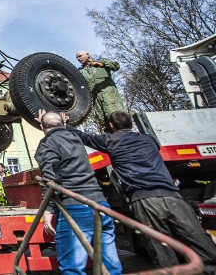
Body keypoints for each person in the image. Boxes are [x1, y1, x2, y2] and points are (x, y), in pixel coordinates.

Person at [70, 110, 216, 272]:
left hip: (144, 200)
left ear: (112, 125)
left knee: (161, 248)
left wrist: (65, 124)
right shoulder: (149, 140)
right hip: (172, 196)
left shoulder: (110, 141)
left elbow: (84, 137)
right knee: (197, 238)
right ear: (131, 124)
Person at [34, 110, 122, 275]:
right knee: (110, 265)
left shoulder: (48, 143)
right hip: (100, 204)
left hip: (75, 207)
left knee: (73, 267)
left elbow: (51, 178)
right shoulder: (75, 139)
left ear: (41, 126)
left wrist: (48, 209)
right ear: (63, 123)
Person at [75, 50, 125, 131]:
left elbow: (116, 66)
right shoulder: (81, 71)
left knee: (117, 118)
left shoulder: (101, 61)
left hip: (109, 96)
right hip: (96, 100)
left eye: (80, 56)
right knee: (104, 122)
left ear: (87, 54)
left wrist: (100, 64)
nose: (78, 59)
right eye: (77, 58)